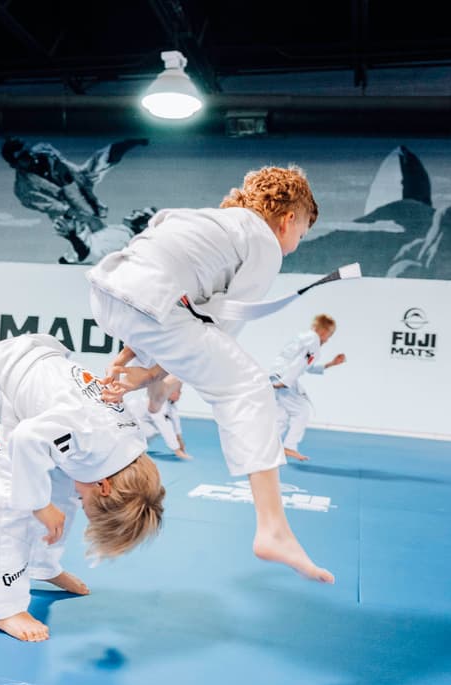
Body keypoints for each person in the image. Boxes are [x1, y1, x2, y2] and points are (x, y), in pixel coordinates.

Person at [86, 165, 335, 584]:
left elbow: (175, 287)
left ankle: (143, 387)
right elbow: (221, 324)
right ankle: (274, 529)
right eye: (303, 232)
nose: (296, 244)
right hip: (154, 305)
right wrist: (156, 372)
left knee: (184, 348)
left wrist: (144, 363)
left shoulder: (212, 220)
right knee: (247, 386)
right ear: (288, 218)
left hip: (110, 290)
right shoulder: (264, 242)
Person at [0, 334, 165, 642]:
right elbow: (26, 438)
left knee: (65, 482)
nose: (82, 504)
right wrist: (40, 505)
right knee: (10, 495)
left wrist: (51, 500)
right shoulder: (87, 437)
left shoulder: (129, 447)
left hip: (39, 367)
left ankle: (43, 565)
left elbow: (66, 456)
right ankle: (1, 607)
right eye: (88, 504)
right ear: (105, 486)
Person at [0, 137, 148, 232]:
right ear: (14, 164)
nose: (30, 156)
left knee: (98, 162)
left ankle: (130, 143)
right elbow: (56, 207)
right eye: (24, 157)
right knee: (86, 234)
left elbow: (66, 168)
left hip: (75, 182)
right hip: (65, 210)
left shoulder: (43, 150)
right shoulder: (24, 189)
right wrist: (86, 217)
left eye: (28, 152)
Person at [271, 314, 346, 462]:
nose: (327, 340)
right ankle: (289, 446)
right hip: (284, 378)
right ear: (324, 332)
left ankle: (270, 447)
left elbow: (306, 366)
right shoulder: (314, 341)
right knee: (302, 411)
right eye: (329, 336)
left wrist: (330, 364)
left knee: (282, 416)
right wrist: (285, 382)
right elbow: (301, 362)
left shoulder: (303, 337)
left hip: (276, 374)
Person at [54, 206, 157, 265]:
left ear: (144, 226)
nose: (135, 211)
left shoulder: (123, 239)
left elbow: (88, 255)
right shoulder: (118, 231)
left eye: (142, 213)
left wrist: (72, 236)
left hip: (73, 274)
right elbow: (94, 223)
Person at [123, 377, 191, 460]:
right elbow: (165, 427)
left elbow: (175, 421)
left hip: (137, 421)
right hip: (125, 421)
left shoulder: (170, 404)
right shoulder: (158, 402)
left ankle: (137, 449)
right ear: (170, 392)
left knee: (152, 430)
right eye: (178, 391)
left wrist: (180, 440)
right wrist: (177, 450)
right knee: (151, 431)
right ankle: (131, 449)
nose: (180, 394)